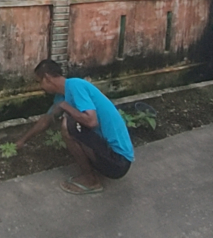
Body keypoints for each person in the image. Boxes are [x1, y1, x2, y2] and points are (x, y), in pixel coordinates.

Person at [16, 59, 134, 195]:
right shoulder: (62, 96)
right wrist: (22, 140)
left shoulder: (75, 85)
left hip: (118, 161)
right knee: (72, 122)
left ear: (47, 78)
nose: (40, 87)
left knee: (68, 125)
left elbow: (92, 121)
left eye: (39, 82)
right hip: (109, 156)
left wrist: (65, 107)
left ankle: (91, 180)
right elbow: (46, 120)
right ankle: (93, 171)